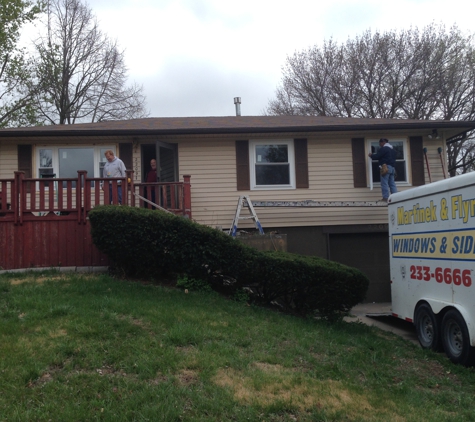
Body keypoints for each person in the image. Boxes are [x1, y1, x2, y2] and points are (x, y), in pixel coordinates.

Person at [368, 138, 398, 202]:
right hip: (392, 168)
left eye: (380, 144)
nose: (380, 145)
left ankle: (385, 198)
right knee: (392, 183)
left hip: (386, 167)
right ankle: (396, 197)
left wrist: (371, 155)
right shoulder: (392, 150)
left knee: (384, 183)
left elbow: (377, 156)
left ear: (383, 142)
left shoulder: (384, 149)